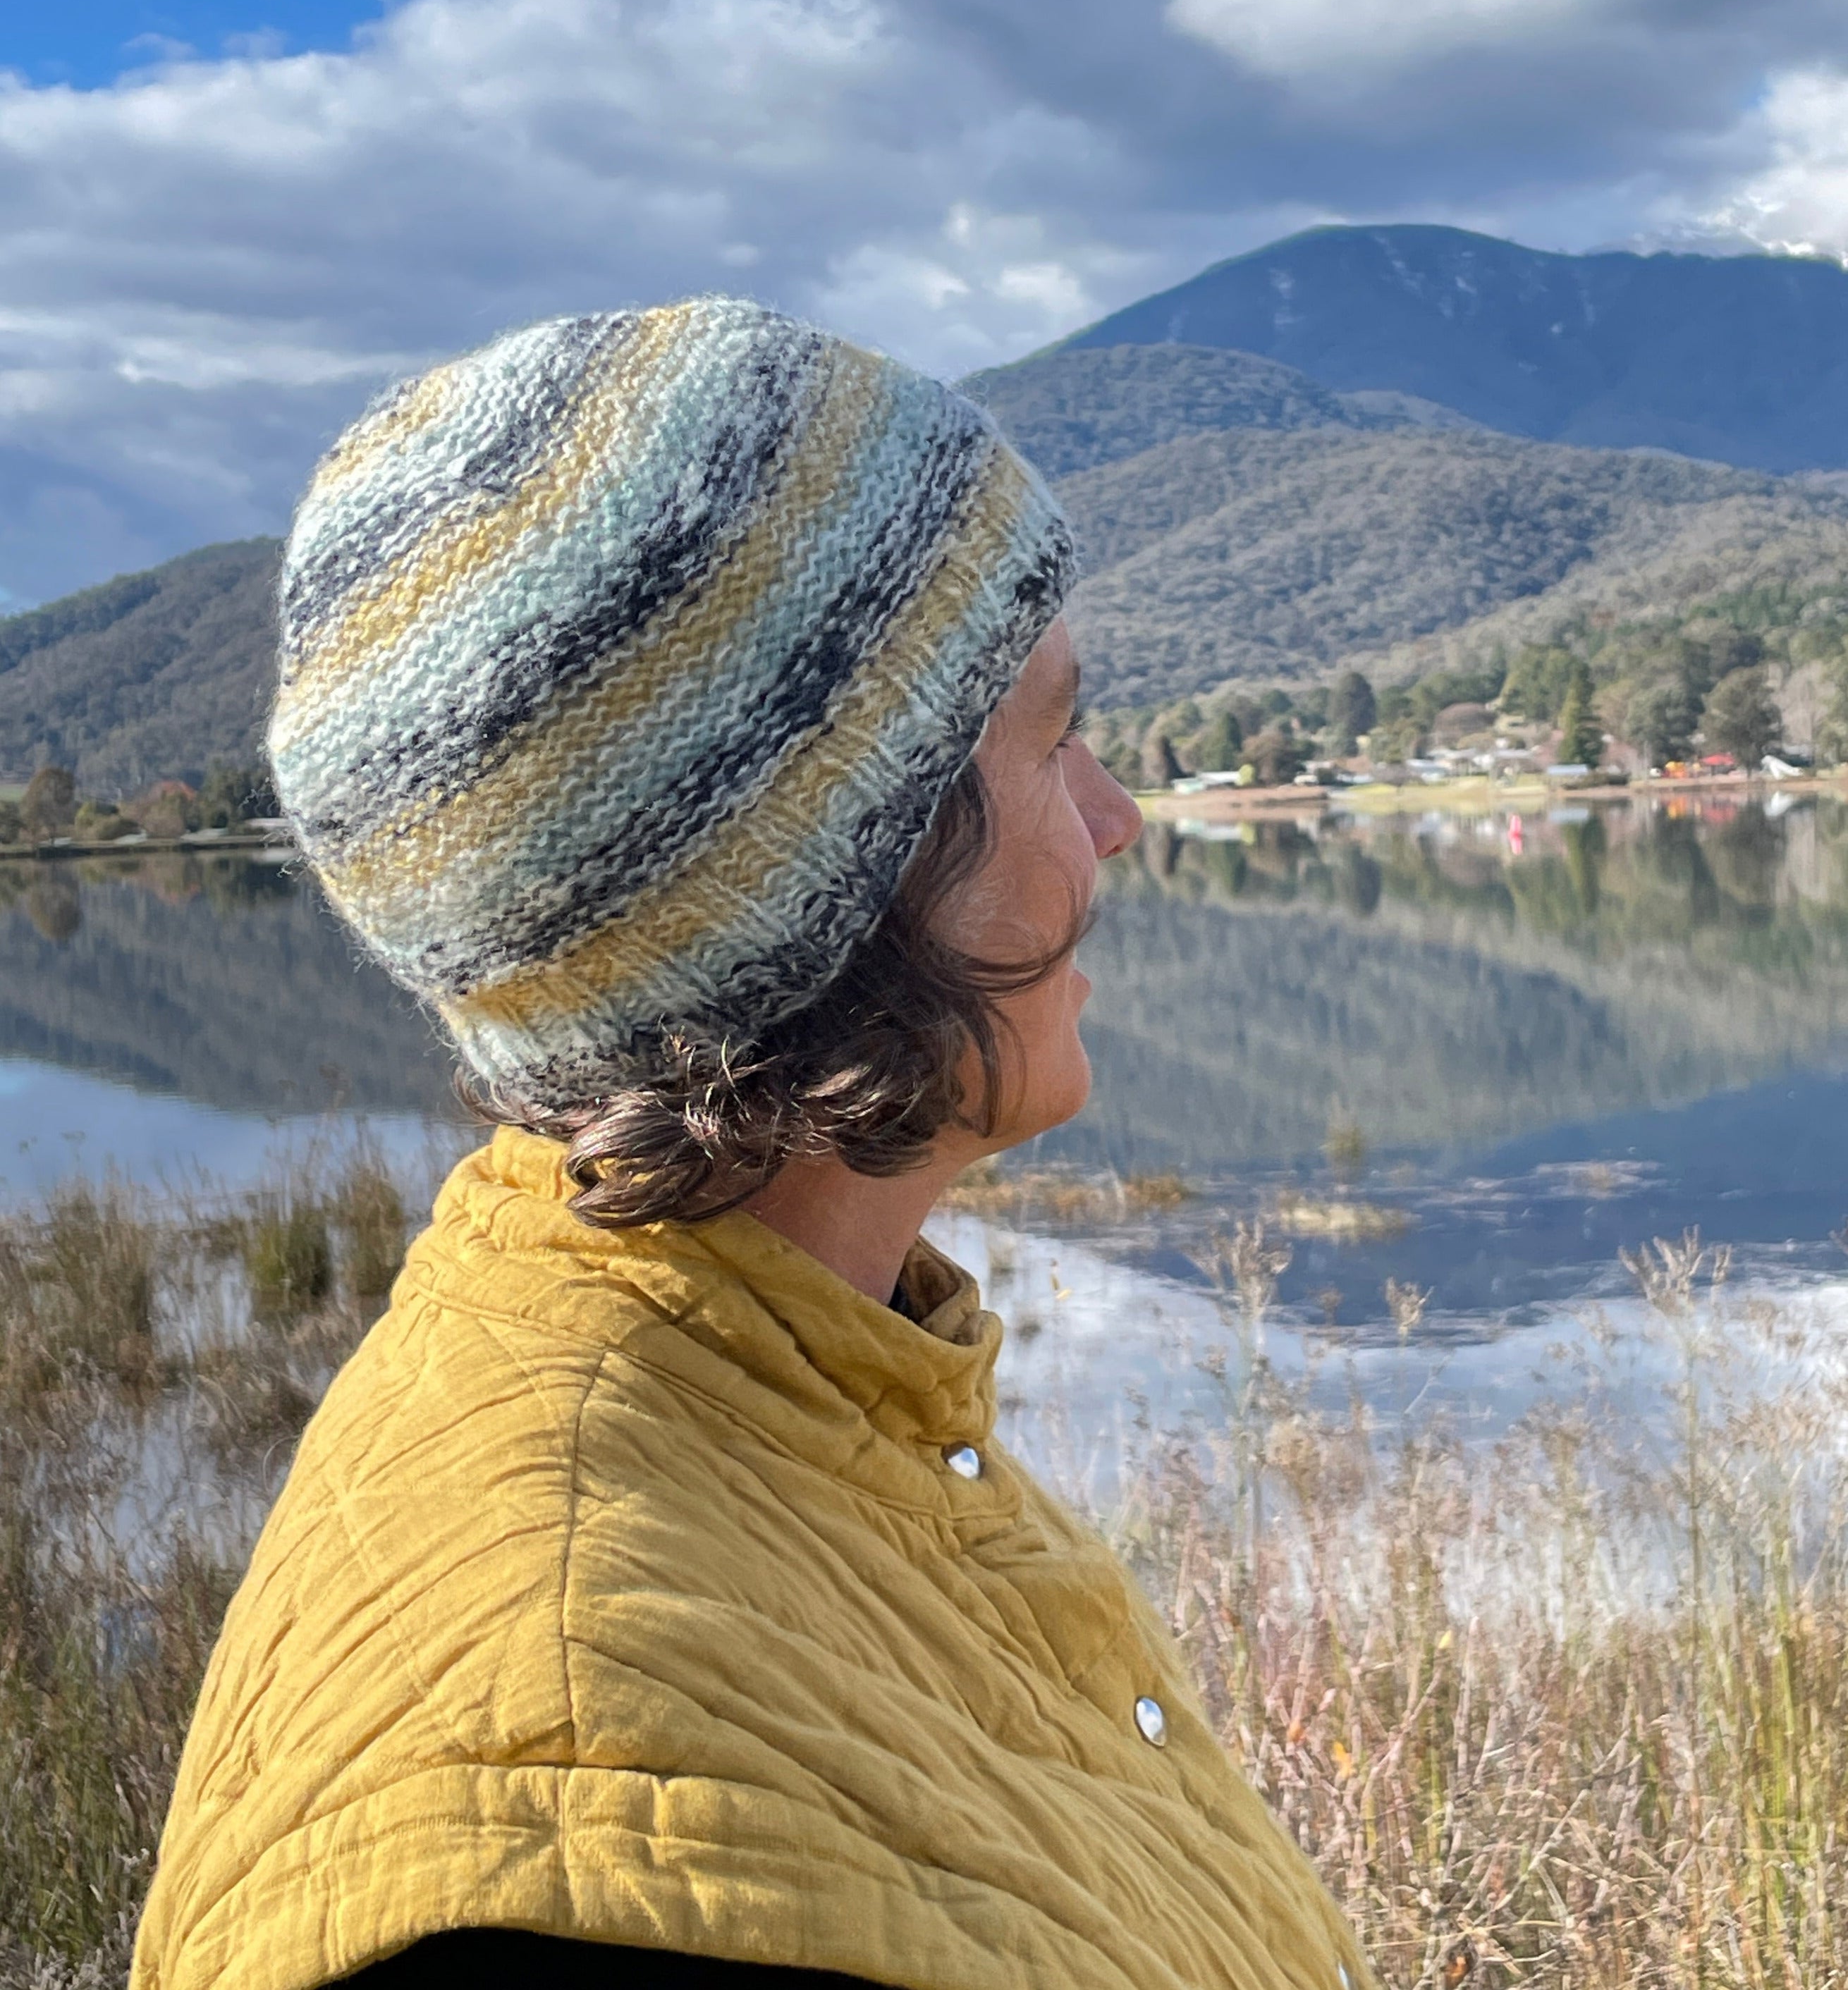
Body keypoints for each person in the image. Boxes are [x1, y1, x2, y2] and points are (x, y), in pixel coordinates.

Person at [133, 299, 1368, 1990]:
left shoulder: (796, 1362)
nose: (1115, 819)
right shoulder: (588, 1831)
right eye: (1054, 737)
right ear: (829, 879)